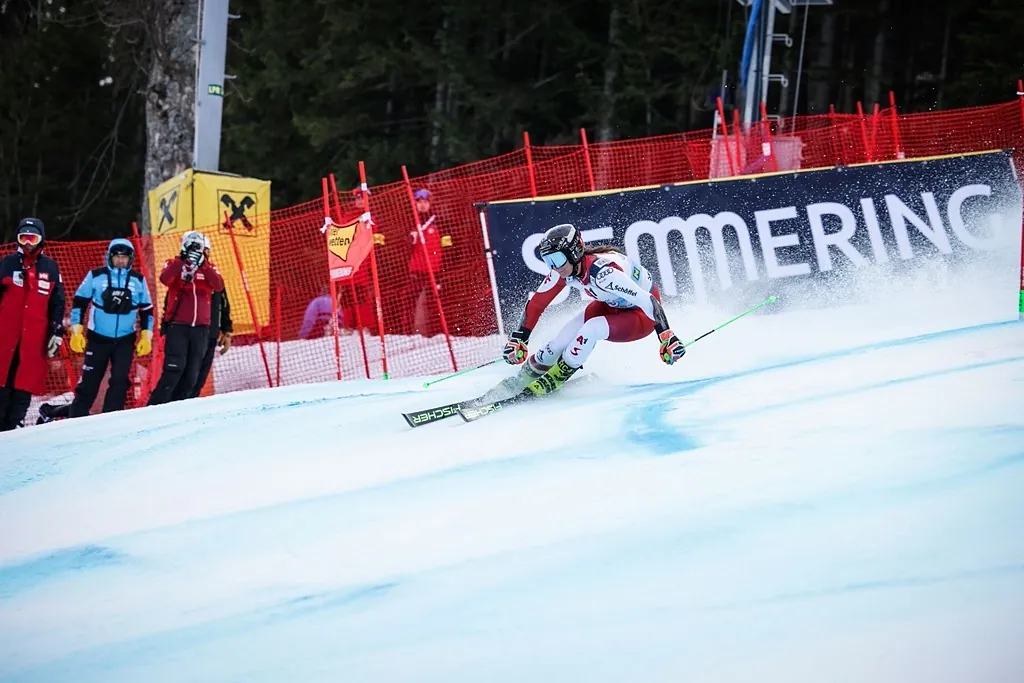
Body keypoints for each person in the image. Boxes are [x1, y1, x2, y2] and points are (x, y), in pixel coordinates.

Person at [482, 223, 686, 403]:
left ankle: (557, 377)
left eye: (557, 259)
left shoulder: (604, 273)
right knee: (559, 342)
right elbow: (536, 304)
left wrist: (666, 336)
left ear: (574, 252)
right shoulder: (564, 270)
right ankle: (523, 378)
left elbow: (647, 300)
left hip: (641, 316)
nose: (554, 267)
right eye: (548, 260)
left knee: (592, 328)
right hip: (611, 304)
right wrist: (520, 339)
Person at [38, 239, 153, 421]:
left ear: (130, 259)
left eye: (124, 257)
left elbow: (147, 309)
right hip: (98, 339)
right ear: (110, 257)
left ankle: (110, 419)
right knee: (89, 382)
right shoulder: (96, 276)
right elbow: (79, 303)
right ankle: (75, 418)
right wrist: (77, 331)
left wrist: (146, 335)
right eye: (117, 257)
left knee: (120, 380)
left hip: (125, 340)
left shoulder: (138, 280)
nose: (121, 261)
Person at [0, 218, 65, 430]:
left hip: (34, 339)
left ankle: (15, 426)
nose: (28, 243)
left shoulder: (50, 267)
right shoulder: (8, 263)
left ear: (41, 239)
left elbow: (57, 302)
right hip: (6, 336)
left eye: (33, 238)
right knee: (3, 381)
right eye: (23, 238)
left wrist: (57, 331)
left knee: (24, 383)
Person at [147, 230, 225, 405]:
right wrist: (183, 260)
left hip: (201, 328)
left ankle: (178, 407)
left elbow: (219, 285)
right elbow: (165, 278)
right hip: (178, 326)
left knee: (191, 375)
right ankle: (154, 406)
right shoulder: (174, 263)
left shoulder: (209, 268)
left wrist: (203, 264)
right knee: (174, 369)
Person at [188, 236, 233, 398]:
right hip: (188, 334)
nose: (202, 255)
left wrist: (227, 330)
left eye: (205, 251)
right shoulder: (183, 274)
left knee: (200, 377)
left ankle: (191, 405)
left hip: (210, 334)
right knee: (187, 376)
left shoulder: (214, 274)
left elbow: (223, 302)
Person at [405, 188, 452, 336]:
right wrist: (410, 240)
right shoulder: (410, 222)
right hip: (417, 269)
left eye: (425, 202)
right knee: (411, 300)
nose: (422, 205)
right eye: (419, 202)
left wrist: (444, 269)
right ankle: (410, 333)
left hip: (436, 269)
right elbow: (405, 248)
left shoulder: (440, 222)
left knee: (435, 301)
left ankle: (438, 332)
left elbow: (448, 247)